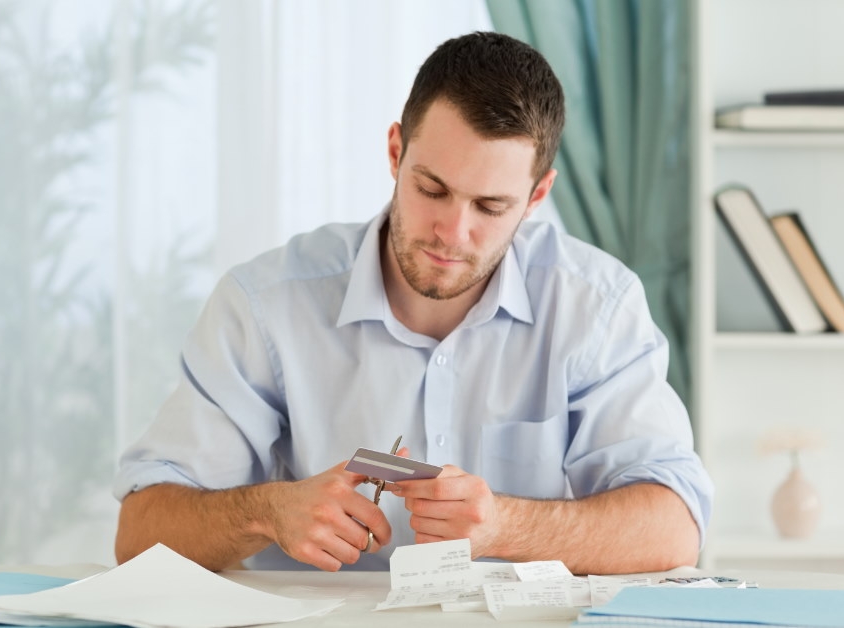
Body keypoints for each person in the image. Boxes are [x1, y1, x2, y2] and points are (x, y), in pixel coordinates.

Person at [112, 31, 713, 575]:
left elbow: (674, 525)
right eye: (433, 189)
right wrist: (267, 513)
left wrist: (505, 525)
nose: (452, 232)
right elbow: (139, 534)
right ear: (396, 152)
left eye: (490, 207)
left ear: (538, 195)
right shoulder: (267, 306)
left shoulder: (596, 306)